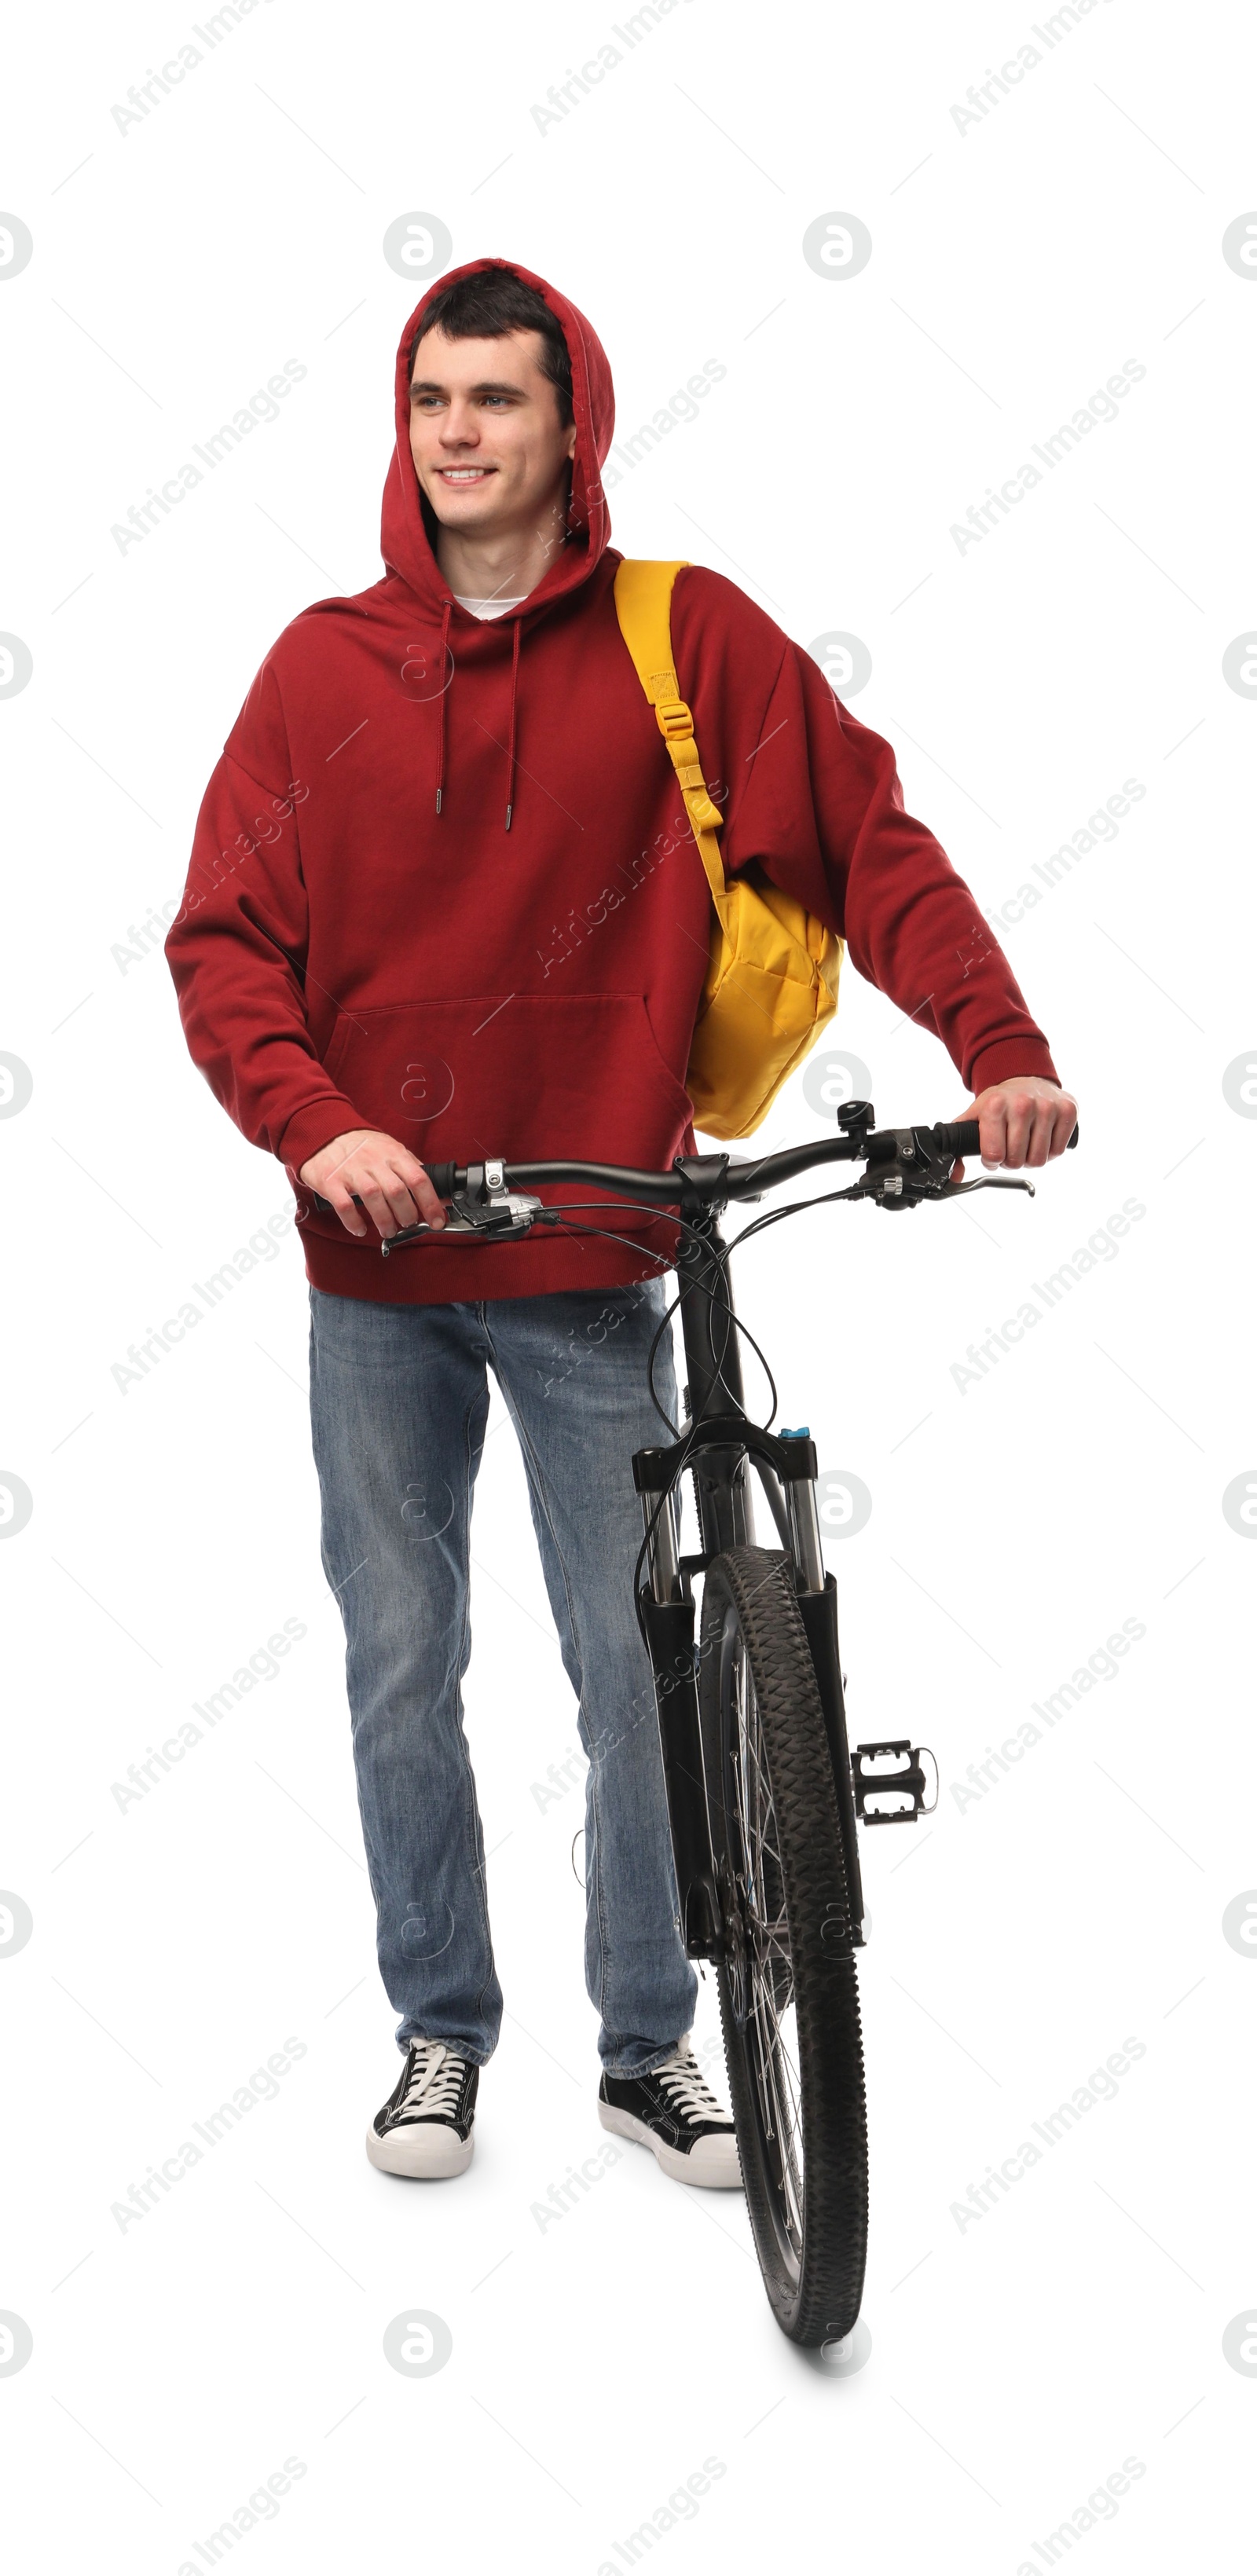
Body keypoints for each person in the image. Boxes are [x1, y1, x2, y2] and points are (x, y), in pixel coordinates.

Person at [165, 257, 1076, 2191]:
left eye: (498, 399)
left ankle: (646, 2040)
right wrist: (317, 1129)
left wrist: (994, 1047)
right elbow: (224, 945)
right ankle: (438, 2030)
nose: (461, 436)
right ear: (401, 427)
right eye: (432, 402)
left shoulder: (688, 638)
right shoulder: (321, 669)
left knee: (632, 1662)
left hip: (595, 1258)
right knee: (404, 1664)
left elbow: (865, 843)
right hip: (381, 1278)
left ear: (572, 418)